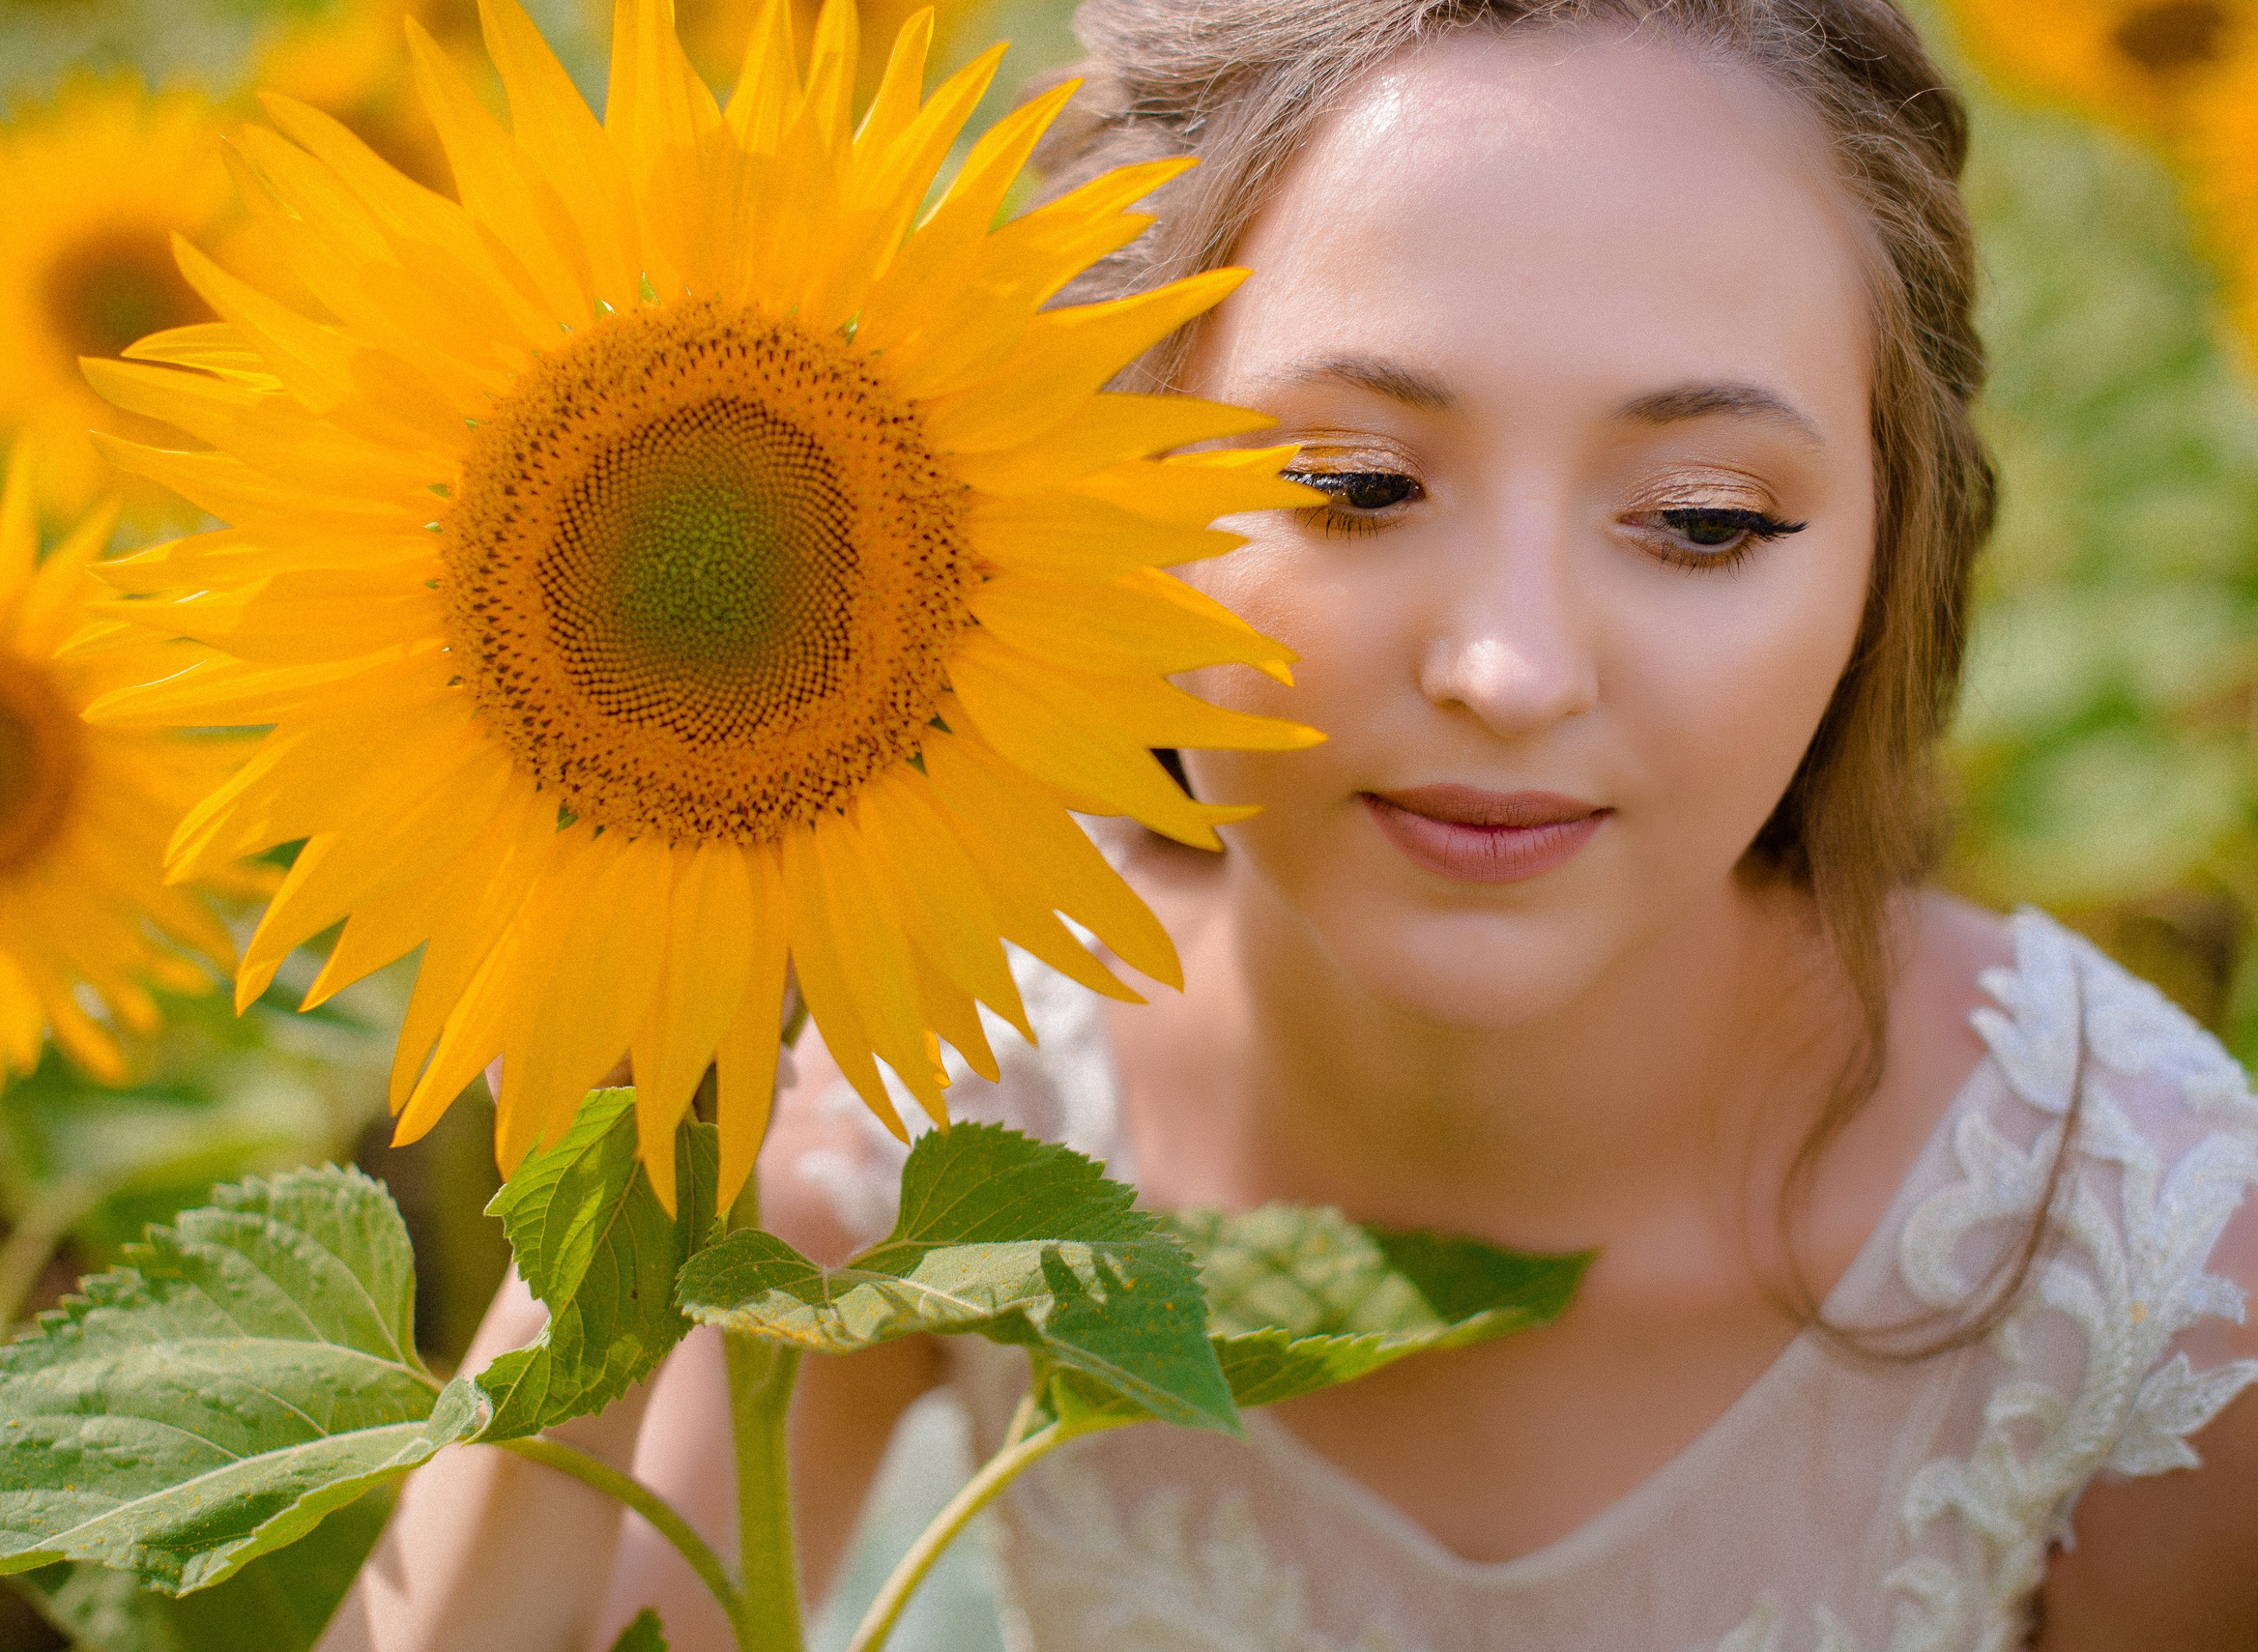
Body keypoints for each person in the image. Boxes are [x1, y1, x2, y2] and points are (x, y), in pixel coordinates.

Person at [322, 1, 2258, 1646]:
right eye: (1350, 485)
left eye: (1699, 519)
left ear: (1892, 544)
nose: (1507, 668)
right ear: (1081, 471)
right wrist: (655, 1053)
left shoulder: (2140, 1277)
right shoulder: (944, 1122)